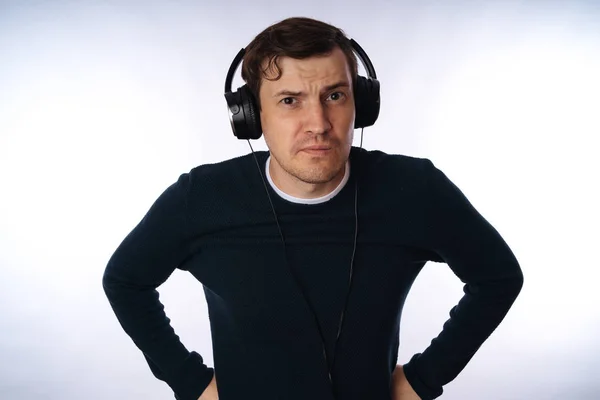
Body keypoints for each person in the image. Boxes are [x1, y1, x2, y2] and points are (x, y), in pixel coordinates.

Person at [102, 16, 524, 400]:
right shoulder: (202, 197)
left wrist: (424, 379)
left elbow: (498, 278)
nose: (318, 123)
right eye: (290, 100)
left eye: (335, 95)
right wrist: (190, 381)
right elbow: (125, 280)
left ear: (361, 104)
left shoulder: (413, 190)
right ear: (252, 116)